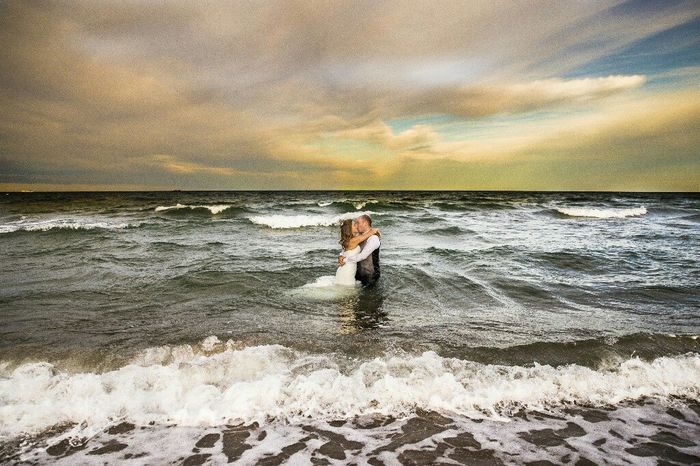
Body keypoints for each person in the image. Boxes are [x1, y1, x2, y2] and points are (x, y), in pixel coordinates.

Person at [335, 218, 380, 286]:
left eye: (357, 223)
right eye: (354, 224)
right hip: (348, 268)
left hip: (348, 267)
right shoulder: (355, 240)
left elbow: (345, 251)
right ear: (349, 229)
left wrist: (341, 256)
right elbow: (370, 233)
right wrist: (375, 230)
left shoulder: (350, 239)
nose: (357, 225)